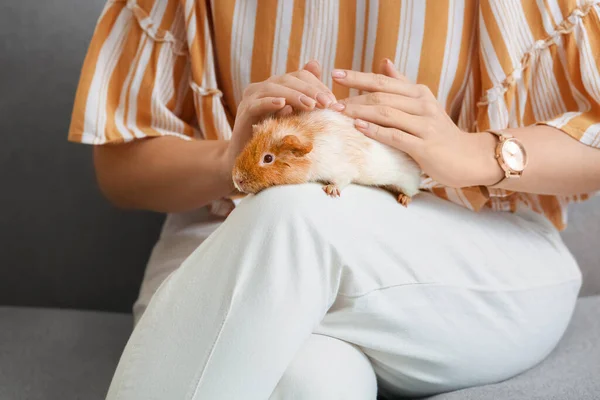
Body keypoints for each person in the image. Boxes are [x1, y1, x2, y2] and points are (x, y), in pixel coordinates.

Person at [68, 0, 600, 398]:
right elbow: (121, 169)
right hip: (228, 244)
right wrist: (230, 160)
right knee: (310, 382)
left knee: (295, 210)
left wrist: (475, 153)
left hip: (473, 257)